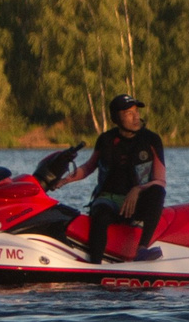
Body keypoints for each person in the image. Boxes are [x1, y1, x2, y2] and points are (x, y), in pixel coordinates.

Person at [58, 94, 166, 262]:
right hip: (109, 200)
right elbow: (88, 167)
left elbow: (160, 180)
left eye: (136, 112)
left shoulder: (151, 140)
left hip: (137, 201)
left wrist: (137, 190)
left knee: (158, 192)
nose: (136, 117)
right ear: (116, 118)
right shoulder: (106, 140)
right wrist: (65, 180)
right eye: (129, 113)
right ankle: (95, 264)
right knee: (100, 216)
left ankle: (142, 249)